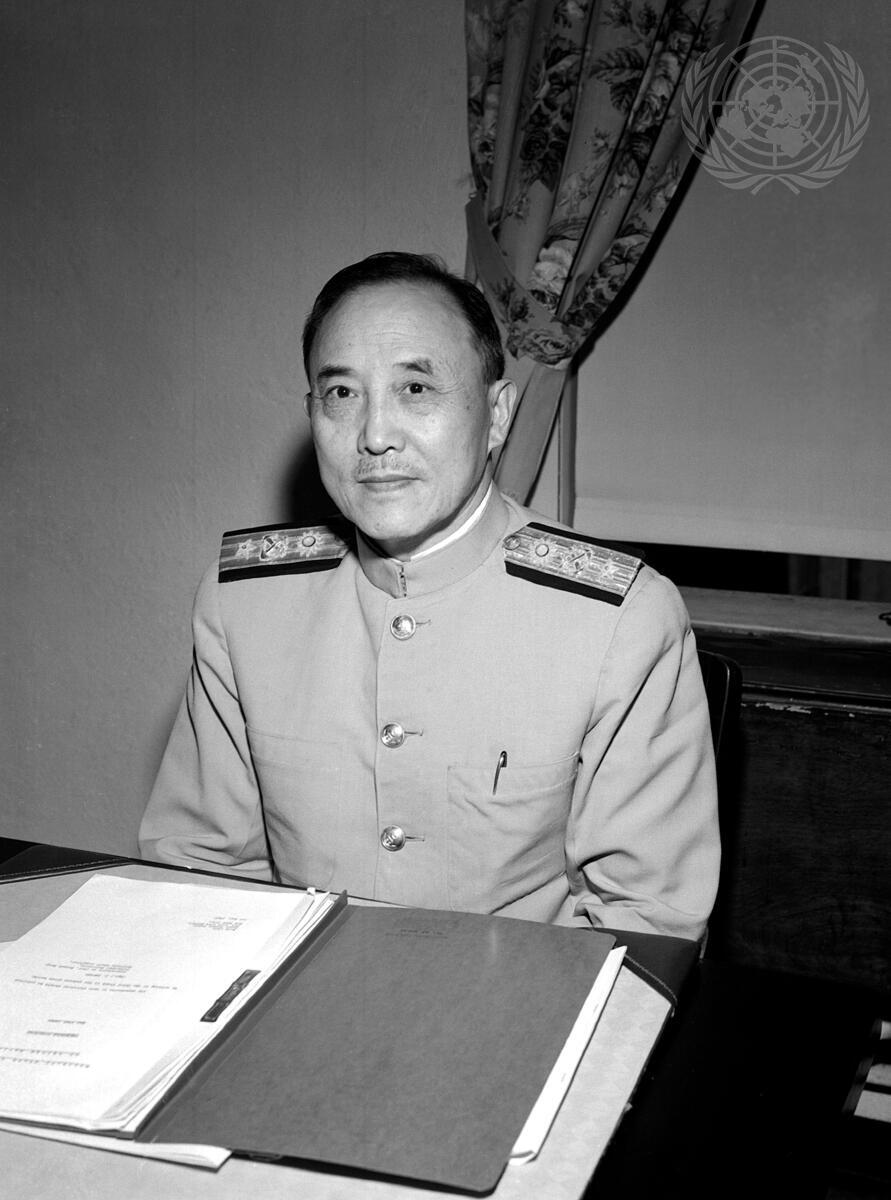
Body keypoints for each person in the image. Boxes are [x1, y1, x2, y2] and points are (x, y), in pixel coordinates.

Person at [139, 251, 719, 940]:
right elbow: (201, 869)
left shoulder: (619, 620)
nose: (375, 436)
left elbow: (646, 926)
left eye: (416, 388)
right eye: (341, 394)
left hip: (524, 999)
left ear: (497, 415)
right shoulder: (244, 604)